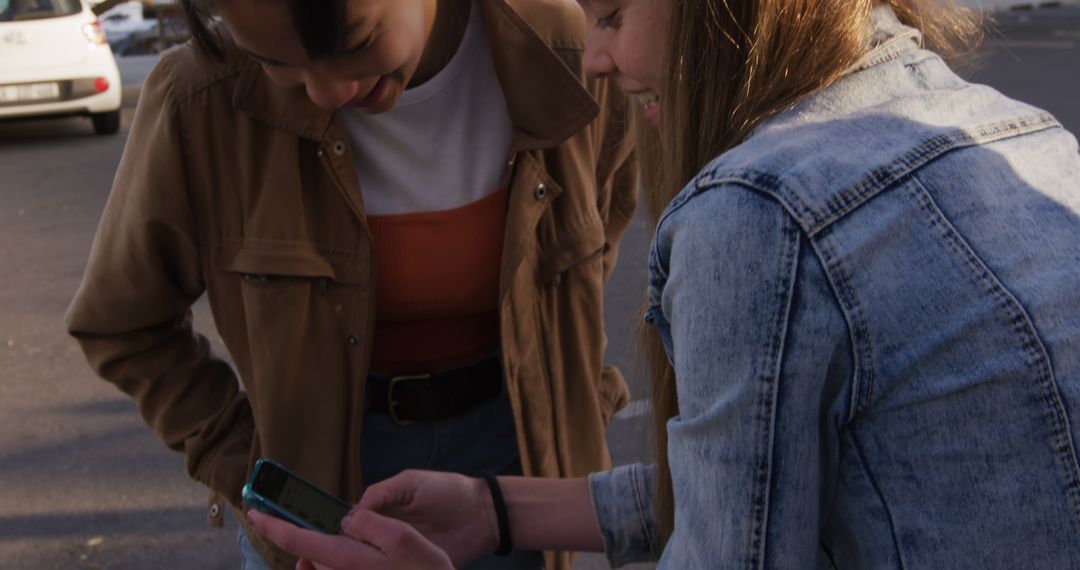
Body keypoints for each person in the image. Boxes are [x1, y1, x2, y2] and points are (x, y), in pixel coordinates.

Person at [246, 0, 1080, 567]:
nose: (599, 58)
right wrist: (496, 508)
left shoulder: (758, 214)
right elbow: (752, 481)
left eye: (612, 14)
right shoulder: (1027, 136)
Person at [64, 0, 639, 568]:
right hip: (321, 499)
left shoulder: (565, 50)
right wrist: (244, 461)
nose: (326, 91)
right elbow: (122, 323)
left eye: (356, 43)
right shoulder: (200, 97)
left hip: (523, 463)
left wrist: (581, 394)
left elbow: (602, 220)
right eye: (277, 64)